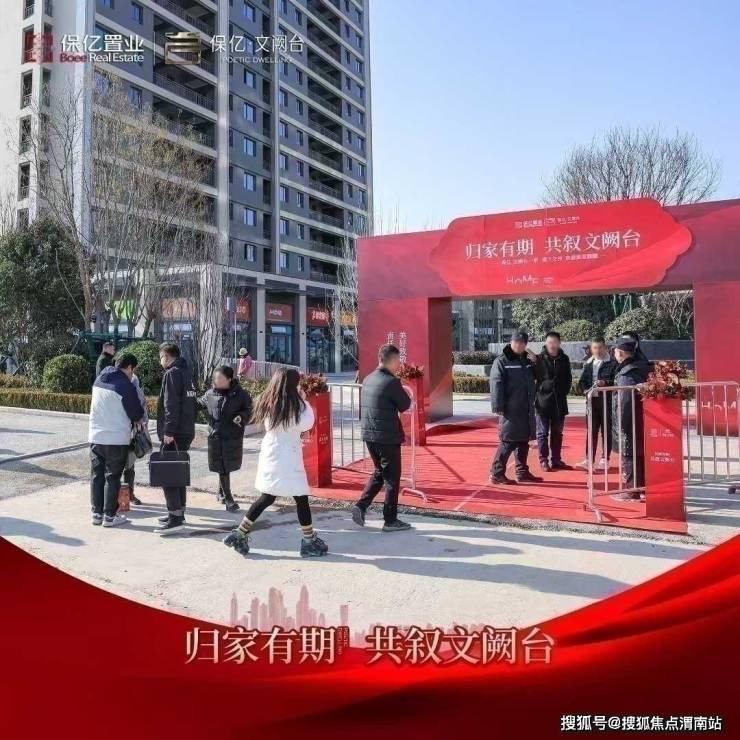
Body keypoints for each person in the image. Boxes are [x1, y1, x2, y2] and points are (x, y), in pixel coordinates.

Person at [223, 367, 328, 557]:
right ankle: (309, 541)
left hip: (271, 454)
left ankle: (239, 533)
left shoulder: (269, 401)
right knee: (301, 497)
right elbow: (307, 423)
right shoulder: (296, 405)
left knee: (268, 496)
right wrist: (304, 400)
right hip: (288, 457)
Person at [350, 344, 413, 532]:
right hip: (387, 436)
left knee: (380, 472)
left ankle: (361, 506)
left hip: (370, 434)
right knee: (392, 478)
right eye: (398, 360)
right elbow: (405, 404)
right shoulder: (391, 382)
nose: (399, 364)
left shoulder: (368, 378)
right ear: (392, 361)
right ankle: (390, 520)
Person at [88, 353, 145, 527]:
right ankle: (110, 517)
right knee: (112, 478)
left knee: (97, 476)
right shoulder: (124, 385)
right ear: (129, 367)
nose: (132, 374)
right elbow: (136, 412)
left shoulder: (99, 380)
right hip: (116, 438)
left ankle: (96, 514)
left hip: (95, 437)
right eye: (132, 371)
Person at [489, 329, 543, 485]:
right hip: (510, 408)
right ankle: (497, 473)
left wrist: (536, 362)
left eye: (522, 343)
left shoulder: (527, 360)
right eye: (516, 342)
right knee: (508, 441)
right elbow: (496, 383)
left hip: (526, 407)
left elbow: (541, 377)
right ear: (511, 342)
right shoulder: (502, 361)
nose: (519, 345)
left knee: (523, 441)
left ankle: (522, 472)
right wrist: (497, 405)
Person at [155, 342, 197, 535]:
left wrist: (169, 432)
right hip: (186, 431)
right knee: (178, 473)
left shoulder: (172, 374)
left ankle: (175, 518)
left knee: (168, 474)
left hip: (175, 433)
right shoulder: (187, 373)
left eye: (160, 357)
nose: (160, 361)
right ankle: (178, 512)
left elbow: (170, 405)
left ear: (166, 355)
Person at [198, 365, 253, 512]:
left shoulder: (241, 394)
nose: (216, 380)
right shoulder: (210, 394)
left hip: (232, 437)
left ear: (229, 379)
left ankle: (221, 492)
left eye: (220, 378)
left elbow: (248, 410)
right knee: (222, 467)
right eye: (215, 378)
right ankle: (228, 499)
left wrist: (241, 416)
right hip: (216, 437)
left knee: (225, 467)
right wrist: (186, 397)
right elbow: (197, 404)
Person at [612, 336, 650, 500]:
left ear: (620, 353)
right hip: (643, 419)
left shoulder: (627, 373)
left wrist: (622, 422)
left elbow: (625, 401)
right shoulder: (642, 366)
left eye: (615, 351)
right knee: (640, 453)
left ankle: (632, 490)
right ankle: (642, 487)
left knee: (629, 453)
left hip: (630, 420)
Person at [534, 331, 573, 471]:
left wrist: (563, 391)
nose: (552, 345)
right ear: (545, 343)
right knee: (542, 433)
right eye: (550, 342)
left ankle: (556, 460)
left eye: (555, 342)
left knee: (557, 433)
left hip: (559, 402)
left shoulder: (564, 358)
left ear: (559, 343)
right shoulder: (538, 359)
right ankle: (543, 460)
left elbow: (568, 378)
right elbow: (535, 376)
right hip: (543, 402)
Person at [577, 337, 617, 470]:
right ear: (591, 349)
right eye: (595, 348)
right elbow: (582, 382)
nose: (598, 350)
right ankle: (589, 460)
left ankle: (605, 459)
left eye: (600, 347)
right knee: (591, 431)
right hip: (591, 402)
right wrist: (584, 390)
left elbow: (616, 381)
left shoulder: (612, 363)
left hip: (606, 401)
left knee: (606, 431)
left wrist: (604, 383)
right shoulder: (588, 363)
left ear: (605, 348)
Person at [123, 370, 149, 506]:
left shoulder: (135, 385)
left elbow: (143, 408)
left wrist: (142, 425)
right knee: (123, 466)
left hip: (131, 433)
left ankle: (128, 495)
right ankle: (122, 497)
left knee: (129, 465)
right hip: (120, 432)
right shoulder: (118, 385)